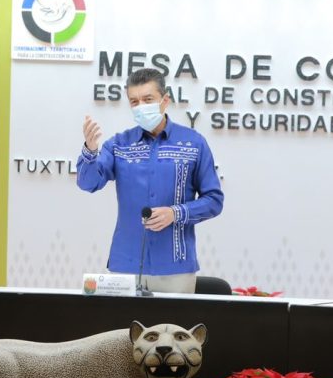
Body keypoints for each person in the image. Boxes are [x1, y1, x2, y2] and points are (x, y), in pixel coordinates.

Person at [77, 68, 224, 294]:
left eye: (148, 99)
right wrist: (90, 149)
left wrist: (175, 213)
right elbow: (88, 183)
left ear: (165, 100)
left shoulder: (194, 144)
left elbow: (214, 200)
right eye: (134, 101)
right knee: (122, 329)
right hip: (125, 264)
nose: (141, 106)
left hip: (175, 267)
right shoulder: (119, 144)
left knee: (172, 327)